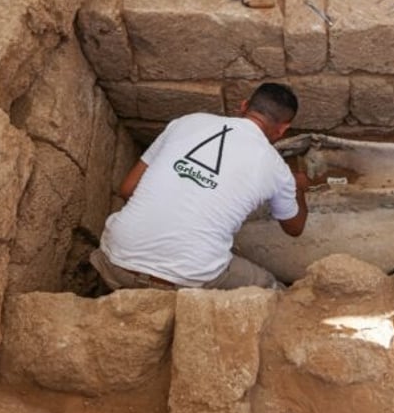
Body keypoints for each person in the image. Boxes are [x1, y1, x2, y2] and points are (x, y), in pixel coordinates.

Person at [90, 82, 309, 291]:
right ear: (283, 129)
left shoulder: (187, 122)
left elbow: (127, 189)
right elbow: (294, 228)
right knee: (268, 286)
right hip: (189, 278)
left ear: (243, 106)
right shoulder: (276, 167)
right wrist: (297, 187)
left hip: (115, 261)